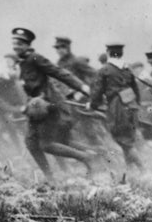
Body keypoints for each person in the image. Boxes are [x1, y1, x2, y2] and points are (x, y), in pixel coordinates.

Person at [12, 28, 94, 179]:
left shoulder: (35, 58)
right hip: (35, 108)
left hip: (49, 106)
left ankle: (86, 158)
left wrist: (82, 87)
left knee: (47, 144)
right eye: (14, 43)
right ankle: (50, 178)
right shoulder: (22, 62)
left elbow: (58, 72)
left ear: (27, 45)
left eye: (19, 43)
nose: (15, 46)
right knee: (31, 143)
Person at [90, 43, 142, 169]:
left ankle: (143, 170)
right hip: (132, 105)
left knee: (124, 141)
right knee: (128, 140)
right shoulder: (127, 69)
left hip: (117, 106)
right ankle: (131, 170)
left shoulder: (105, 70)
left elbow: (97, 92)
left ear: (108, 53)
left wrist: (92, 104)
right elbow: (136, 91)